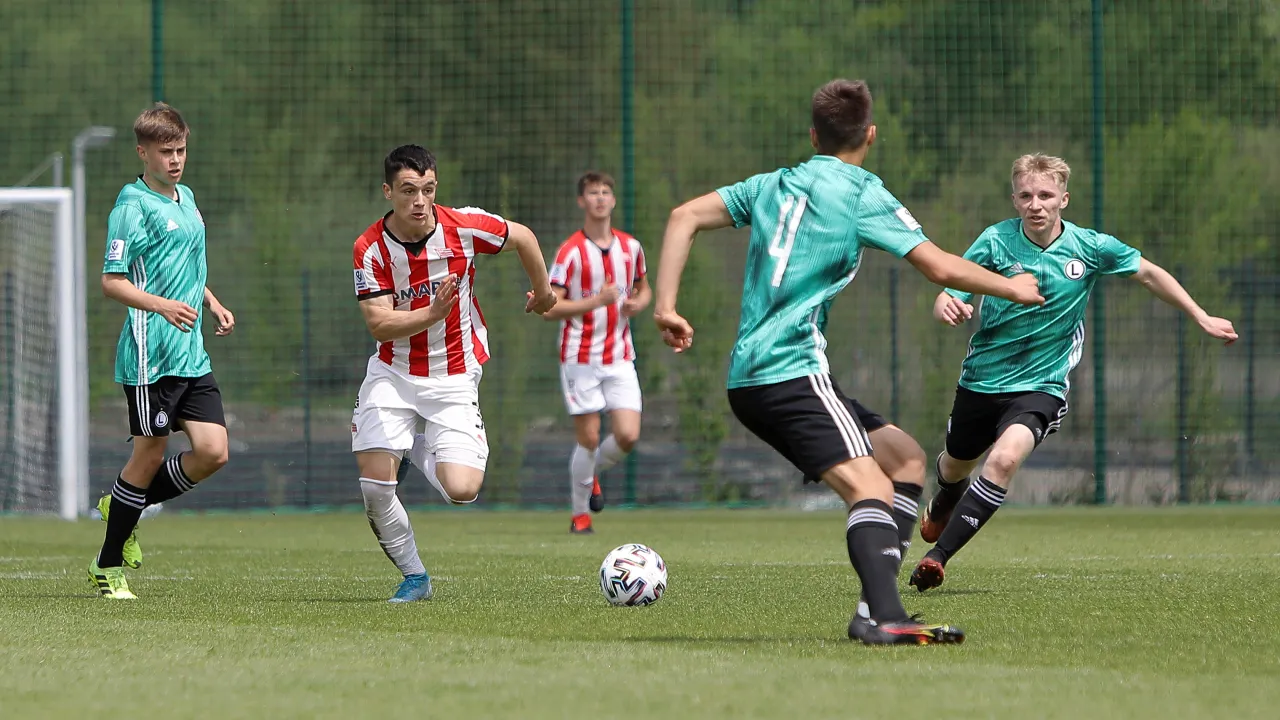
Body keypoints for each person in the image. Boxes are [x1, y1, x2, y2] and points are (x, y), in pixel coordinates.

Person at [652, 79, 1045, 645]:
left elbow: (682, 215)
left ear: (814, 136)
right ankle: (884, 618)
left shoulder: (770, 184)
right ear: (871, 135)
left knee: (905, 460)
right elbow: (938, 266)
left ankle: (873, 609)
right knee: (870, 488)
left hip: (757, 375)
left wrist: (666, 307)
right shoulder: (862, 191)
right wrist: (1012, 287)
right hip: (789, 370)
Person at [909, 153, 1238, 592]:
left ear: (1064, 199)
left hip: (1041, 386)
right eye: (1026, 195)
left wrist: (1200, 315)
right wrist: (947, 305)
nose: (1036, 204)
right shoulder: (995, 240)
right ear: (1014, 199)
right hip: (982, 381)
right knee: (955, 465)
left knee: (1004, 459)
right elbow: (950, 288)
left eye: (1046, 195)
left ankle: (937, 557)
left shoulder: (1089, 246)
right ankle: (948, 494)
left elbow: (1149, 273)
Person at [351, 144, 557, 603]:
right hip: (393, 373)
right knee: (375, 486)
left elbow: (523, 237)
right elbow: (379, 323)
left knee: (462, 490)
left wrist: (543, 293)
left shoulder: (462, 226)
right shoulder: (370, 248)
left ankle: (414, 446)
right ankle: (415, 577)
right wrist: (432, 313)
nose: (419, 201)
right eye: (408, 191)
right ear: (387, 192)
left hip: (455, 374)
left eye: (427, 190)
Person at [89, 103, 236, 600]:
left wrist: (211, 302)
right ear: (143, 152)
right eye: (166, 152)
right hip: (149, 357)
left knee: (213, 451)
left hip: (191, 354)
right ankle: (107, 566)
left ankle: (121, 506)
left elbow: (185, 266)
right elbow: (111, 281)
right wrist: (163, 306)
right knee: (149, 456)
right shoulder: (131, 207)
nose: (175, 160)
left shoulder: (185, 197)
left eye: (181, 150)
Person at [542, 172, 651, 534]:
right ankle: (580, 515)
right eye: (593, 193)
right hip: (580, 356)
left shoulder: (631, 247)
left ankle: (591, 474)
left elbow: (644, 288)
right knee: (588, 438)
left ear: (613, 200)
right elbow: (551, 307)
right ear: (582, 201)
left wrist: (639, 303)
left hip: (620, 355)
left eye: (606, 192)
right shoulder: (570, 251)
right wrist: (596, 301)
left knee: (628, 435)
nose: (600, 198)